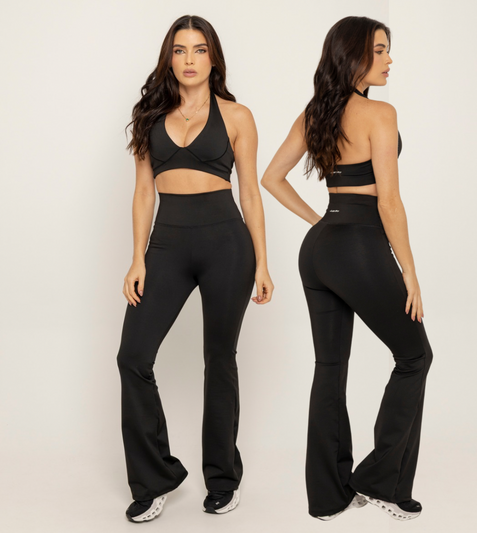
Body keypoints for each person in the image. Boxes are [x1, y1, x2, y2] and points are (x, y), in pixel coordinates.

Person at [261, 16, 432, 522]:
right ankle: (381, 480)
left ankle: (328, 496)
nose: (389, 59)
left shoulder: (316, 112)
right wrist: (410, 272)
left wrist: (321, 223)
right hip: (359, 245)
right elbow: (389, 203)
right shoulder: (380, 113)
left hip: (319, 250)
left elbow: (271, 177)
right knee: (415, 355)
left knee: (330, 368)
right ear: (353, 54)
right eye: (379, 50)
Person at [116, 14, 273, 523]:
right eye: (180, 50)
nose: (189, 60)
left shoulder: (238, 116)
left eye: (199, 50)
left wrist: (263, 262)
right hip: (167, 244)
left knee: (219, 359)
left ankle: (223, 479)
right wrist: (137, 257)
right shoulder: (149, 115)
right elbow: (144, 192)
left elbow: (250, 193)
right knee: (133, 356)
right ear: (169, 58)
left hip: (227, 244)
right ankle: (155, 478)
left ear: (213, 58)